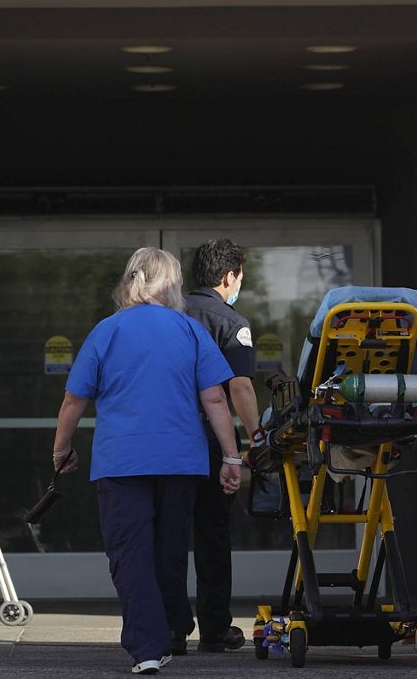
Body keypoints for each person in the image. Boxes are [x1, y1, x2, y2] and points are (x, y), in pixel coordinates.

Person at [51, 247, 242, 675]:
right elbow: (214, 397)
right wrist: (231, 456)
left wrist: (61, 450)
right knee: (170, 551)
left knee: (131, 553)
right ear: (171, 285)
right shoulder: (191, 331)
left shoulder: (107, 331)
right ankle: (171, 630)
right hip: (181, 462)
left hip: (122, 463)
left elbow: (74, 399)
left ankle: (147, 647)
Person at [180, 239, 260, 654]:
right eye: (240, 278)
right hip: (211, 441)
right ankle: (214, 628)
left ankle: (172, 627)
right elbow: (240, 386)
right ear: (228, 278)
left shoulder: (168, 315)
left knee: (170, 533)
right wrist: (256, 436)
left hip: (168, 439)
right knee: (212, 534)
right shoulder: (231, 322)